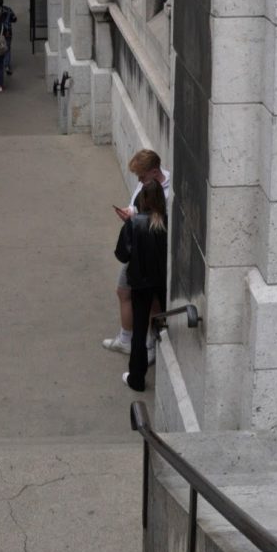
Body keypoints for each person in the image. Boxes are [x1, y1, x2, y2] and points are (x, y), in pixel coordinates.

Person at [102, 149, 170, 358]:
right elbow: (138, 206)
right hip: (144, 251)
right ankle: (131, 340)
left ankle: (145, 345)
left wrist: (132, 221)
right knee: (128, 293)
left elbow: (157, 222)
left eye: (142, 176)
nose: (139, 181)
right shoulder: (149, 182)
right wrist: (130, 211)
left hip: (146, 255)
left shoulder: (167, 193)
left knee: (146, 301)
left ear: (154, 172)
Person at [114, 180, 167, 391]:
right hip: (162, 282)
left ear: (143, 200)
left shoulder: (134, 224)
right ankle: (157, 349)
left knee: (139, 328)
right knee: (162, 318)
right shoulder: (167, 222)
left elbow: (122, 254)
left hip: (140, 282)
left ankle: (137, 377)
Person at [0, 0, 17, 74]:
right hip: (8, 32)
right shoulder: (8, 9)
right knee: (7, 48)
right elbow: (14, 19)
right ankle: (6, 66)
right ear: (2, 2)